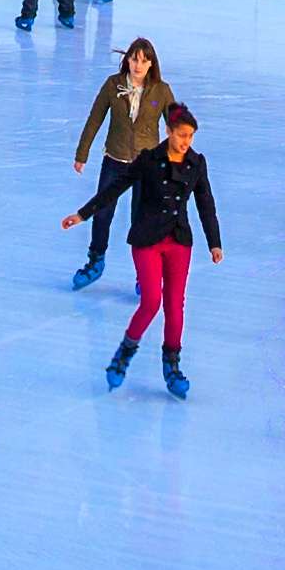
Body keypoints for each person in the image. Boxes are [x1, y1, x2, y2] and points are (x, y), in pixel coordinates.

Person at [73, 100, 227, 394]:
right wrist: (83, 214)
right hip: (147, 240)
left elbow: (206, 204)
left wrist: (214, 242)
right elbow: (113, 189)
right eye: (182, 135)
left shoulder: (196, 163)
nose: (186, 142)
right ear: (168, 131)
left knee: (174, 305)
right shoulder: (148, 160)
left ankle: (172, 366)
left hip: (179, 242)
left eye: (191, 136)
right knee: (151, 302)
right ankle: (124, 354)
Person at [68, 40, 175, 286]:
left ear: (151, 64)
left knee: (142, 218)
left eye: (144, 61)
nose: (138, 65)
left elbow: (175, 126)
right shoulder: (112, 85)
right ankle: (96, 260)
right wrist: (81, 153)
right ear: (127, 59)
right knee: (102, 212)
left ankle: (144, 273)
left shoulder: (161, 90)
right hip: (115, 160)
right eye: (134, 59)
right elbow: (94, 120)